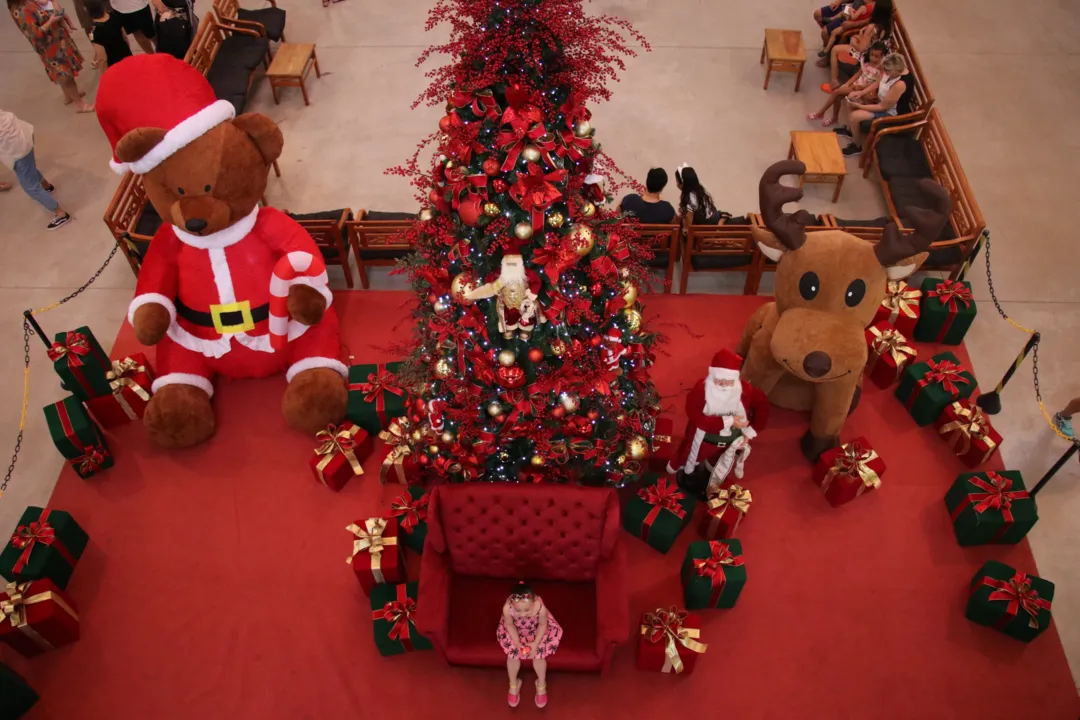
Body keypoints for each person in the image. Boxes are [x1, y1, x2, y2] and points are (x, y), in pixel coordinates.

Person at [668, 349, 769, 499]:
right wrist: (727, 421)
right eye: (718, 379)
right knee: (690, 459)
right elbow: (694, 414)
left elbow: (762, 405)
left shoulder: (746, 391)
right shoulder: (701, 390)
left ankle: (710, 475)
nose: (722, 384)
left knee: (718, 463)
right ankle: (689, 475)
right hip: (703, 440)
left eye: (727, 380)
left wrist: (750, 432)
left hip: (730, 443)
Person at [8, 0, 93, 113]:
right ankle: (80, 104)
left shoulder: (28, 2)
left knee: (63, 72)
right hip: (50, 47)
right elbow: (34, 34)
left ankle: (69, 96)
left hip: (57, 40)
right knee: (66, 75)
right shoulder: (20, 10)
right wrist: (51, 21)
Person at [0, 108, 72, 229]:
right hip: (22, 131)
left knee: (30, 187)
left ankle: (61, 214)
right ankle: (47, 187)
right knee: (29, 169)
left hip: (14, 146)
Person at [497, 580, 562, 709]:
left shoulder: (539, 605)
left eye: (526, 610)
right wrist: (517, 642)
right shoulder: (507, 608)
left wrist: (536, 643)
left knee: (538, 656)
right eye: (518, 611)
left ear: (533, 602)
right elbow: (509, 624)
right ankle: (514, 683)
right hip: (516, 630)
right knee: (512, 656)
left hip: (537, 629)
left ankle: (541, 684)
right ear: (511, 604)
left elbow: (543, 624)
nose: (522, 614)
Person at [839, 52, 914, 156]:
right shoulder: (892, 68)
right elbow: (877, 83)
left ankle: (857, 146)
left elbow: (883, 107)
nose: (884, 73)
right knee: (852, 96)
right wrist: (861, 93)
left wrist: (860, 106)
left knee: (855, 116)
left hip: (890, 113)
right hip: (880, 101)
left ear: (896, 70)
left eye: (887, 71)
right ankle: (850, 131)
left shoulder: (900, 84)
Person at [807, 42, 886, 128]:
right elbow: (858, 74)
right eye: (872, 55)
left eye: (876, 56)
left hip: (863, 90)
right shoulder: (866, 62)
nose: (873, 58)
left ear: (882, 57)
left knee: (836, 92)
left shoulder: (881, 68)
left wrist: (860, 88)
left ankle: (820, 113)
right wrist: (847, 84)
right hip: (855, 85)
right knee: (837, 96)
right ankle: (834, 118)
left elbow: (876, 84)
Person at [820, 0, 894, 86]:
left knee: (835, 49)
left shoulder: (872, 28)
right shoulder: (889, 25)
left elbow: (861, 49)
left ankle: (834, 82)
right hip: (880, 55)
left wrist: (853, 41)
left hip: (866, 56)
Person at [675, 164, 724, 231]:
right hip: (714, 217)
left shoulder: (689, 198)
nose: (677, 184)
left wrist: (684, 229)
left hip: (708, 225)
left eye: (677, 181)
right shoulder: (700, 190)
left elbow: (688, 226)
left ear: (682, 183)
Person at [87, 0, 132, 68]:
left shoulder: (93, 32)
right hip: (125, 55)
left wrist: (104, 76)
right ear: (103, 8)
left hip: (113, 63)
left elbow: (102, 58)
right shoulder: (114, 16)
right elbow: (125, 37)